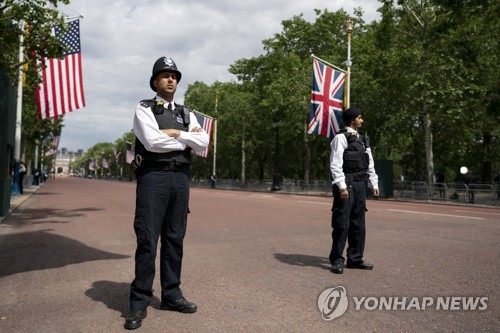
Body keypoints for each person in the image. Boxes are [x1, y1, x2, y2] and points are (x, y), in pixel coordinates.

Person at [124, 56, 209, 330]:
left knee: (175, 239)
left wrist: (177, 133)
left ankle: (171, 294)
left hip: (180, 179)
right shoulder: (144, 108)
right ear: (155, 82)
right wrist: (184, 138)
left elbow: (203, 141)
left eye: (174, 75)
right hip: (154, 177)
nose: (171, 79)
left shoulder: (188, 113)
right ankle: (139, 302)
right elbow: (152, 142)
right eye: (165, 75)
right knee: (148, 239)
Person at [329, 106, 379, 274]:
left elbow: (369, 163)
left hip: (359, 186)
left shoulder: (363, 139)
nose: (362, 120)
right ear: (352, 120)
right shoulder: (340, 138)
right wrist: (342, 187)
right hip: (347, 185)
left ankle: (355, 259)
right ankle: (337, 260)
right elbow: (335, 165)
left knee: (358, 224)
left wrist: (374, 183)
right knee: (342, 223)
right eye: (360, 117)